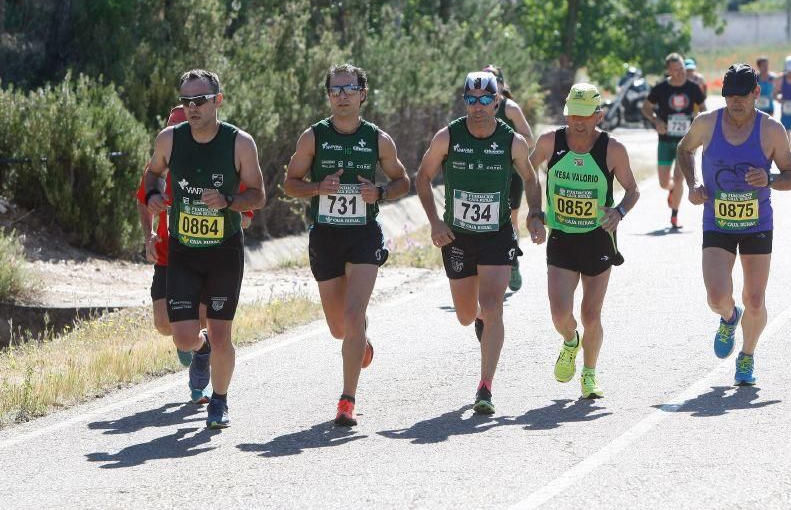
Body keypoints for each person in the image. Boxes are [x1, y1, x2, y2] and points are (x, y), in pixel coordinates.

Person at [283, 64, 410, 427]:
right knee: (340, 328)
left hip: (363, 234)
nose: (342, 95)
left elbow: (403, 180)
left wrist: (381, 192)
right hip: (326, 236)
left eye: (349, 89)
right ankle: (360, 341)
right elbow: (290, 182)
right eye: (335, 90)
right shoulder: (313, 138)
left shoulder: (378, 139)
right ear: (328, 96)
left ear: (362, 94)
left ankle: (347, 400)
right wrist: (317, 188)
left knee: (354, 315)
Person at [416, 71, 545, 415]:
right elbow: (423, 177)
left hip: (496, 235)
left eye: (485, 99)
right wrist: (435, 222)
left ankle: (485, 387)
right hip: (457, 236)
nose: (478, 106)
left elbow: (531, 179)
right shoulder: (448, 136)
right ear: (464, 102)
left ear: (498, 101)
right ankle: (477, 320)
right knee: (464, 315)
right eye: (471, 100)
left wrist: (535, 214)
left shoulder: (512, 140)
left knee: (493, 306)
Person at [145, 69, 266, 428]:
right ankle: (203, 353)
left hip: (223, 253)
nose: (193, 107)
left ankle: (220, 400)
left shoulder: (239, 143)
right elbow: (151, 174)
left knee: (220, 331)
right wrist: (153, 195)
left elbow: (258, 195)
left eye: (200, 100)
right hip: (183, 251)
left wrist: (228, 200)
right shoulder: (169, 139)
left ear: (218, 100)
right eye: (186, 100)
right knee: (183, 336)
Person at [676, 63, 791, 386]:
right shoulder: (706, 124)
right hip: (717, 221)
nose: (735, 103)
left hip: (757, 222)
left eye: (742, 97)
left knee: (755, 298)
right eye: (729, 97)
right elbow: (684, 149)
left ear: (756, 94)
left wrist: (770, 178)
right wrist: (692, 184)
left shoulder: (771, 130)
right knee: (717, 296)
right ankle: (730, 317)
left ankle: (746, 357)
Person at [529, 83, 639, 399]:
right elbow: (528, 171)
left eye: (585, 116)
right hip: (561, 237)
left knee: (591, 315)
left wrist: (619, 211)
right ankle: (569, 341)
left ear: (598, 115)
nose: (577, 122)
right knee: (560, 315)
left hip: (598, 239)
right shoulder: (551, 142)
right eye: (572, 115)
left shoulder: (612, 149)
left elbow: (633, 190)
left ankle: (589, 374)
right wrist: (535, 211)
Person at [136, 108, 254, 381]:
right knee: (164, 324)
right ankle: (199, 347)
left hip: (214, 252)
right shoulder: (159, 166)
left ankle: (203, 373)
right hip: (172, 254)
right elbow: (143, 199)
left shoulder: (224, 162)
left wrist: (227, 210)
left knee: (203, 320)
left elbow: (247, 215)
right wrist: (149, 234)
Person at [482, 64, 535, 293]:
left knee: (510, 221)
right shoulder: (477, 107)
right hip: (485, 175)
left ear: (501, 85)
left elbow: (529, 139)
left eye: (493, 81)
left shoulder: (510, 108)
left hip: (510, 175)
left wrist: (506, 146)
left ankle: (512, 261)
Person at [641, 53, 706, 228]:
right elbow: (646, 108)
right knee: (664, 182)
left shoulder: (693, 88)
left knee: (679, 178)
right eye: (676, 69)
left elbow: (703, 109)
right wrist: (656, 121)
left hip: (686, 143)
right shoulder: (661, 88)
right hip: (665, 140)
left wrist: (698, 123)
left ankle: (674, 216)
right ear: (668, 70)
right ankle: (671, 191)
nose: (680, 72)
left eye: (682, 68)